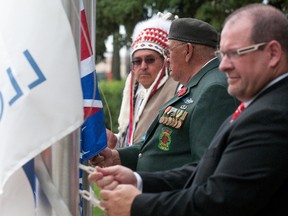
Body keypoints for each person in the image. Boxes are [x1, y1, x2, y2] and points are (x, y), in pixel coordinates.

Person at [89, 3, 288, 216]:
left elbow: (220, 199)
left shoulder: (270, 114)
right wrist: (139, 180)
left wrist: (138, 205)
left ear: (273, 53)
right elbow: (208, 168)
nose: (223, 65)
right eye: (223, 54)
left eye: (234, 54)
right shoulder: (262, 104)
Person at [90, 18, 239, 172]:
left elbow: (205, 169)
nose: (167, 59)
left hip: (171, 194)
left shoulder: (213, 89)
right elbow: (161, 145)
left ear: (187, 51)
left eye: (169, 51)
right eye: (136, 61)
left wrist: (144, 184)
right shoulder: (197, 84)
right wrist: (116, 157)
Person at [106, 14, 179, 148]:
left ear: (165, 61)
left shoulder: (177, 88)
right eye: (137, 61)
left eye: (150, 60)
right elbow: (131, 141)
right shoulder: (133, 89)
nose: (143, 66)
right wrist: (114, 141)